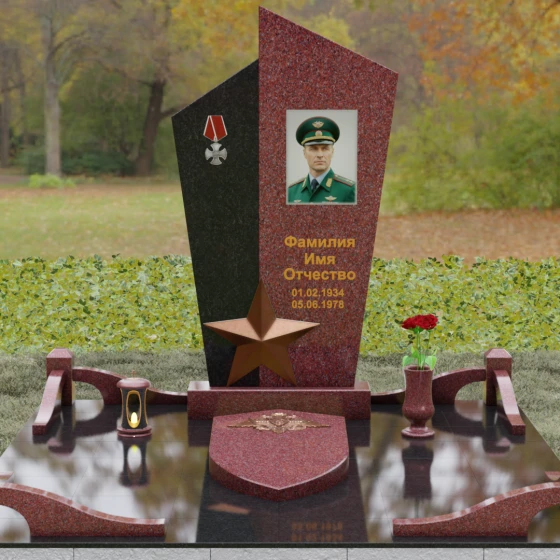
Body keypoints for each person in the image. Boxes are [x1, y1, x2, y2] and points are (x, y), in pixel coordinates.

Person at [287, 116, 356, 204]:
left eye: (325, 149)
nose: (320, 155)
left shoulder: (348, 190)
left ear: (332, 152)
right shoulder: (291, 192)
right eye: (313, 149)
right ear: (304, 153)